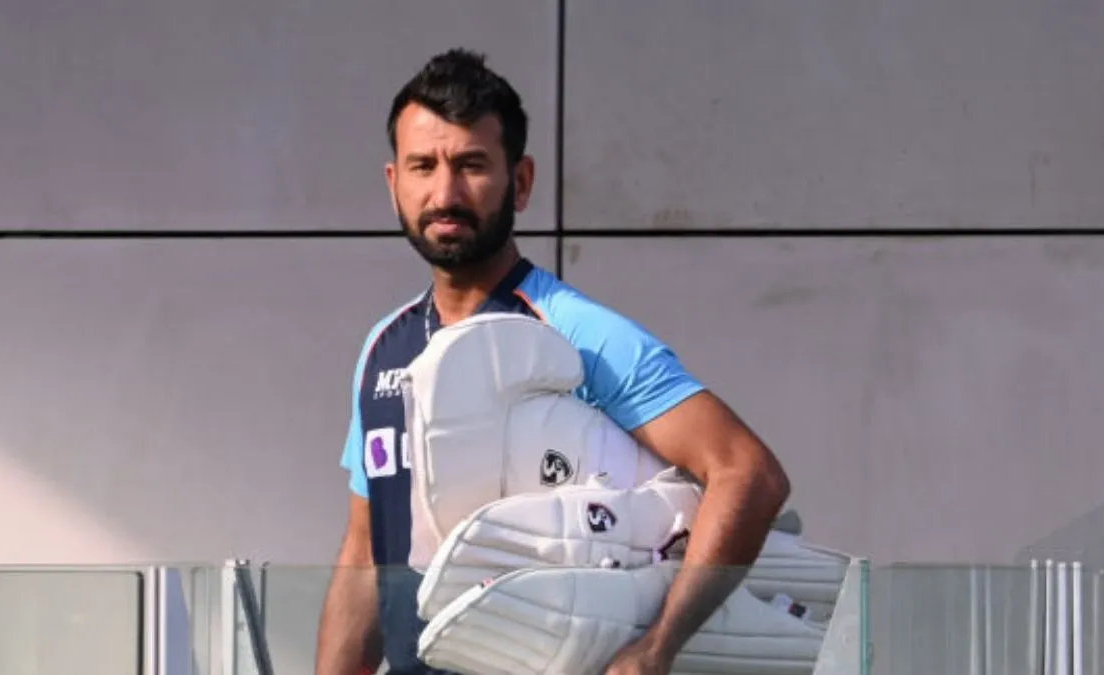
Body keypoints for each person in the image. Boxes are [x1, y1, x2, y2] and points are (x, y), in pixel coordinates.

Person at [314, 48, 792, 675]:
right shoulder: (383, 349)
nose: (444, 193)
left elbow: (748, 473)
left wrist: (657, 647)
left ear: (522, 182)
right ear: (393, 183)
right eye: (422, 166)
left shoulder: (579, 333)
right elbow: (365, 551)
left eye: (471, 165)